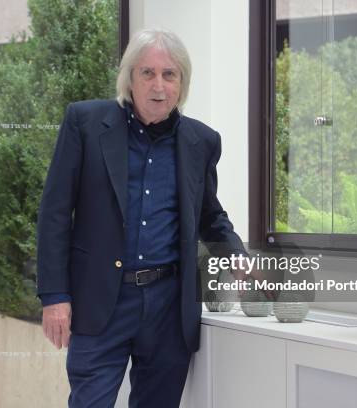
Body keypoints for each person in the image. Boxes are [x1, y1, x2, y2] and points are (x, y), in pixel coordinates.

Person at [36, 28, 248, 408]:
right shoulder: (85, 123)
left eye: (170, 74)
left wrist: (234, 252)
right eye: (147, 73)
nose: (158, 85)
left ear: (182, 84)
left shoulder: (202, 141)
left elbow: (209, 214)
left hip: (168, 309)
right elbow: (54, 213)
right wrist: (54, 296)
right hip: (101, 302)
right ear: (129, 79)